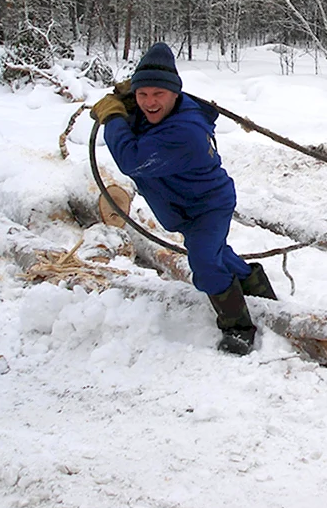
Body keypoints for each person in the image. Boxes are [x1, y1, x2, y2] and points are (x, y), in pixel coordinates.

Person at [90, 42, 276, 356]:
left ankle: (239, 329)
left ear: (175, 94)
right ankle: (260, 292)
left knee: (203, 261)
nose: (149, 102)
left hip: (208, 206)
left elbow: (131, 159)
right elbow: (140, 118)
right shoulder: (157, 114)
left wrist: (113, 119)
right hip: (181, 206)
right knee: (214, 253)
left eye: (158, 94)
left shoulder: (184, 133)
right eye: (142, 94)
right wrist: (128, 102)